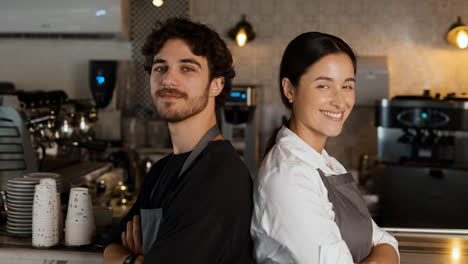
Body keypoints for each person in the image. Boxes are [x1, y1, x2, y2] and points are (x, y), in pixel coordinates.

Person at [103, 18, 253, 264]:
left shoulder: (220, 177)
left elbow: (114, 256)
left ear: (217, 84)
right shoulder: (161, 171)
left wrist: (127, 260)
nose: (168, 80)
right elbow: (111, 244)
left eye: (187, 68)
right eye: (160, 67)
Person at [250, 32, 400, 264]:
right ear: (289, 89)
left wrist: (378, 251)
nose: (340, 101)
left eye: (347, 86)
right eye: (324, 86)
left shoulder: (328, 163)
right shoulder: (288, 176)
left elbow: (387, 243)